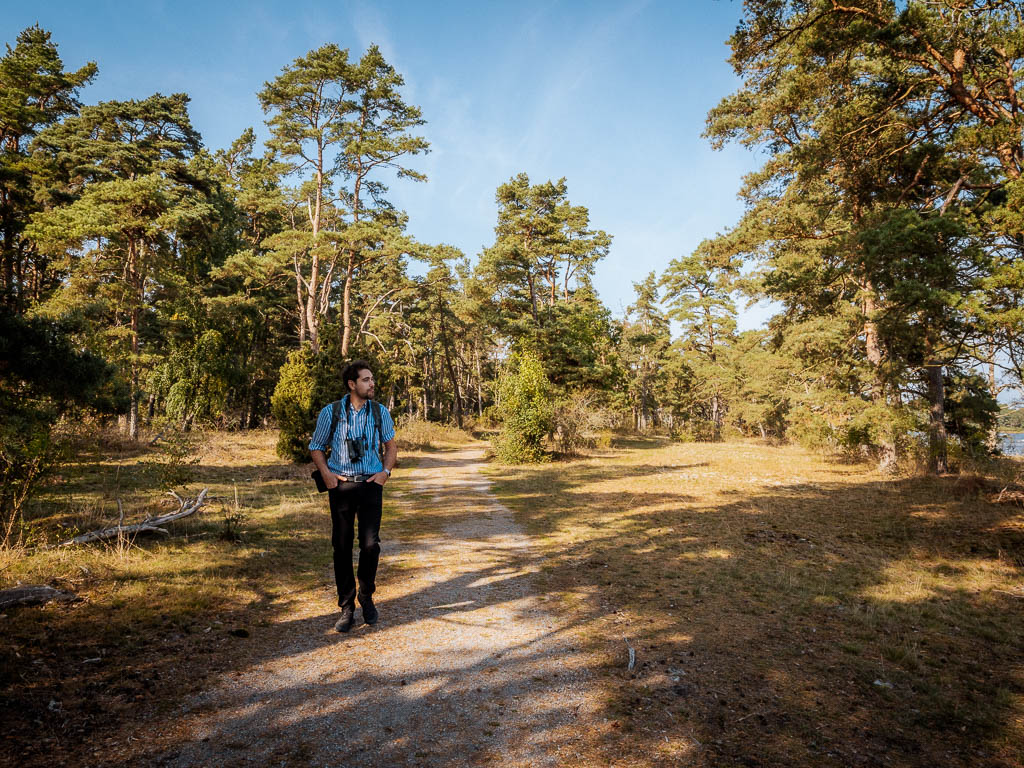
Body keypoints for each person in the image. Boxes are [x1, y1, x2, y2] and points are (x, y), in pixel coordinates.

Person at [309, 360, 397, 632]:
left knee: (371, 545)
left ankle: (366, 595)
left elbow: (391, 446)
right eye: (366, 380)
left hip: (371, 485)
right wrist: (326, 473)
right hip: (342, 487)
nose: (372, 384)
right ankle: (347, 607)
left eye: (372, 379)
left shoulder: (380, 412)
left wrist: (385, 472)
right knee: (342, 546)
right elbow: (316, 446)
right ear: (352, 384)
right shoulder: (331, 412)